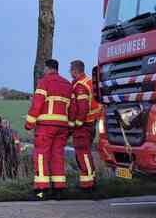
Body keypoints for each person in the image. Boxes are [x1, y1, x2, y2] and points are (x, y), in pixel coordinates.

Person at [25, 58, 72, 199]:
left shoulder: (44, 82)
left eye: (44, 69)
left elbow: (37, 104)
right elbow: (72, 108)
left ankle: (41, 191)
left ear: (47, 68)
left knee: (41, 156)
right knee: (58, 156)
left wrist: (29, 123)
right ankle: (59, 190)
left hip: (46, 126)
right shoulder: (67, 84)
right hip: (62, 126)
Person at [68, 59, 103, 194]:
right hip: (91, 123)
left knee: (82, 153)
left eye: (70, 70)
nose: (70, 73)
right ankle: (90, 180)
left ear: (75, 71)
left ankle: (88, 185)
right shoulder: (89, 82)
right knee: (85, 153)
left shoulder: (80, 86)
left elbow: (82, 108)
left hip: (83, 125)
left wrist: (76, 123)